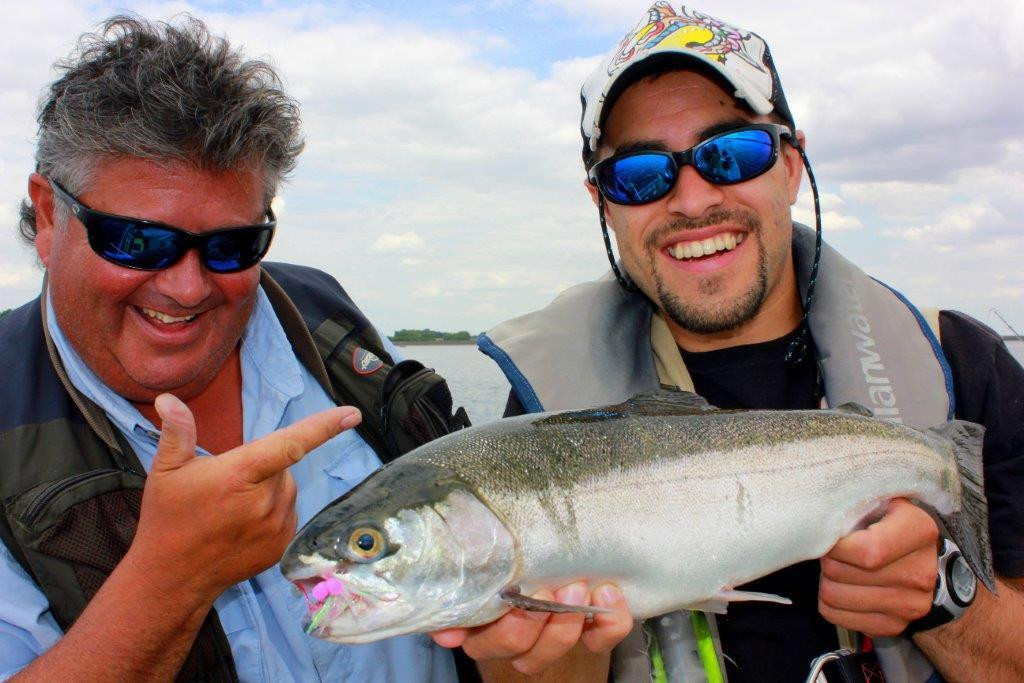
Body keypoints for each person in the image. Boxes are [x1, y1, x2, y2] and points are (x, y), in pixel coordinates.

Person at [475, 3, 1024, 681]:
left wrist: (945, 597)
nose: (692, 198)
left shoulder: (963, 363)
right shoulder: (543, 410)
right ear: (603, 203)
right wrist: (550, 654)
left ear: (792, 166)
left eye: (731, 154)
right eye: (640, 175)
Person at [0, 14, 505, 681]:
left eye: (230, 246)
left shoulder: (325, 317)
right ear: (47, 215)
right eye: (138, 241)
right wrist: (168, 583)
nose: (185, 287)